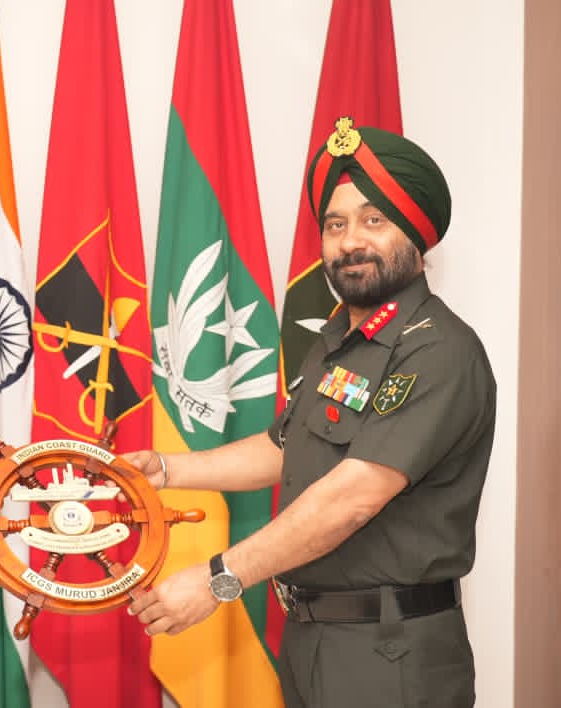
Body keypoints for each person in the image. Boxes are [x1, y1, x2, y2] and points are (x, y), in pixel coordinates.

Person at [126, 117, 496, 708]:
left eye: (374, 220)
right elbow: (284, 446)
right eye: (336, 224)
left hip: (389, 656)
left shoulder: (439, 349)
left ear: (416, 235)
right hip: (311, 638)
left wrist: (219, 578)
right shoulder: (337, 339)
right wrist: (165, 471)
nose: (351, 241)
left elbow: (350, 498)